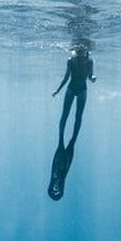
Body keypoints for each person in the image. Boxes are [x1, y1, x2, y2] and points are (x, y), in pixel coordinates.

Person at [48, 46, 96, 200]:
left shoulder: (89, 61)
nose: (80, 53)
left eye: (82, 51)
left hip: (82, 90)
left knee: (78, 117)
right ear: (76, 51)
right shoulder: (70, 61)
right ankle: (62, 140)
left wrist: (93, 77)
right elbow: (66, 77)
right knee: (65, 116)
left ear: (85, 51)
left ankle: (70, 141)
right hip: (71, 89)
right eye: (78, 51)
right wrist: (58, 90)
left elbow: (90, 75)